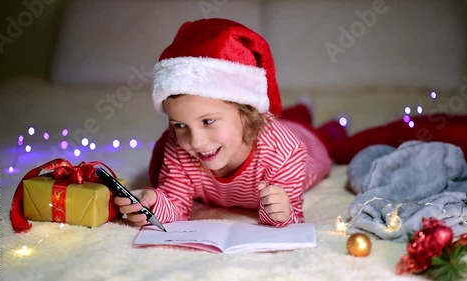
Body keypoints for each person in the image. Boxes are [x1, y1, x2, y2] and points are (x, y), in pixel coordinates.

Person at [115, 18, 342, 227]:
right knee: (293, 117)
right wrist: (153, 203)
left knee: (324, 135)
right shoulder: (178, 147)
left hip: (309, 143)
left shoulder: (284, 151)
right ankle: (302, 108)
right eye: (180, 125)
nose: (196, 141)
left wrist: (282, 212)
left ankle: (326, 121)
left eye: (208, 120)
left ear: (247, 110)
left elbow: (291, 217)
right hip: (269, 127)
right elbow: (176, 205)